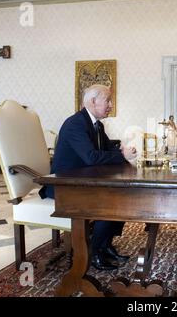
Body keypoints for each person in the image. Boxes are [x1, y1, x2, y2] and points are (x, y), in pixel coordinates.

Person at [39, 84, 137, 271]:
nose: (110, 104)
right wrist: (121, 156)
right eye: (107, 100)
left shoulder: (96, 125)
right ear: (93, 101)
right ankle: (93, 252)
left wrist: (122, 151)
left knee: (123, 197)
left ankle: (105, 245)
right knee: (110, 203)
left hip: (81, 183)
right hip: (63, 187)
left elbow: (109, 150)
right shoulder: (75, 123)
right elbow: (91, 157)